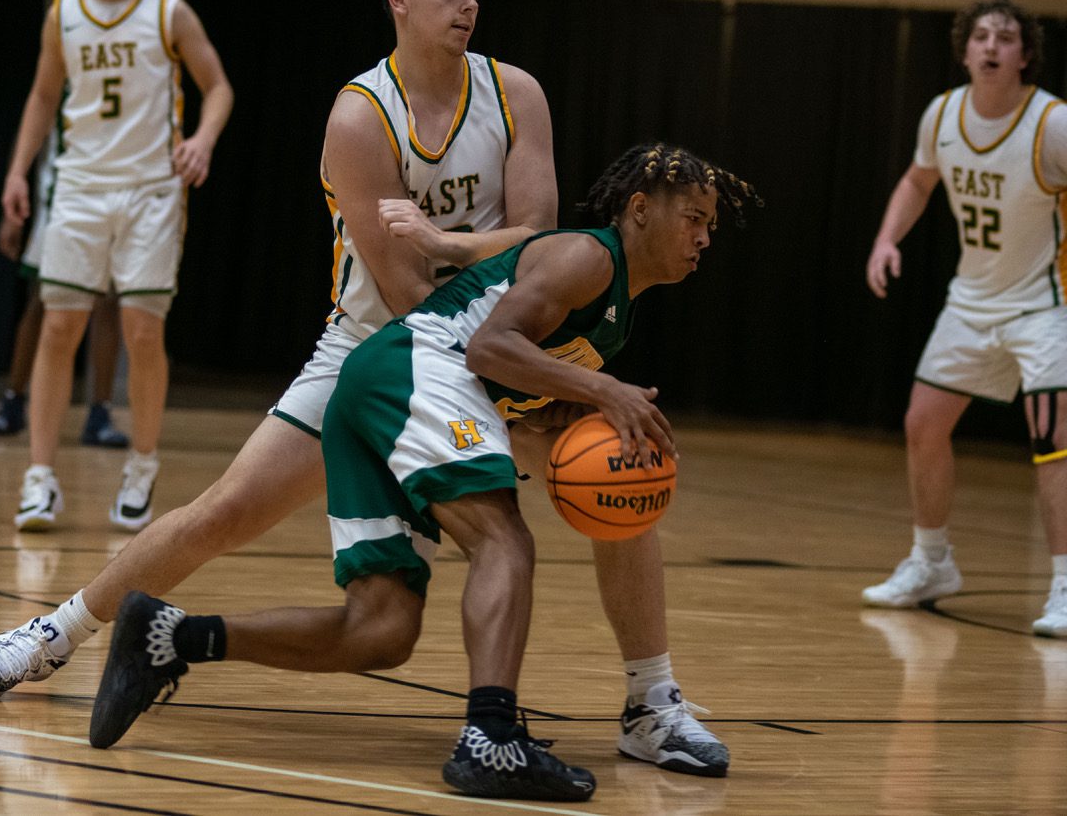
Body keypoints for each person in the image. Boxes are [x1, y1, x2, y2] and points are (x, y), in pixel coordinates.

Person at [0, 0, 729, 779]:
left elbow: (536, 239)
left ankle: (651, 703)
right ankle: (50, 634)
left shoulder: (516, 93)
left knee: (623, 469)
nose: (467, 7)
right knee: (226, 511)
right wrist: (501, 365)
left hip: (495, 338)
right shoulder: (361, 116)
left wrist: (452, 248)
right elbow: (404, 289)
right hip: (383, 347)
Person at [87, 143, 760, 804]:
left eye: (710, 225)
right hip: (414, 366)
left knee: (380, 632)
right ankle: (490, 738)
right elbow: (489, 348)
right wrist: (604, 390)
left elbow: (510, 378)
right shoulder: (587, 256)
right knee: (503, 540)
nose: (704, 237)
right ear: (640, 209)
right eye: (693, 218)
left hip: (379, 389)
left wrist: (562, 410)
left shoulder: (616, 307)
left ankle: (167, 636)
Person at [0, 0, 232, 533]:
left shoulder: (168, 9)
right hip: (79, 187)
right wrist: (18, 171)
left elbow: (218, 86)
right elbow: (43, 95)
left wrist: (203, 139)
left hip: (151, 189)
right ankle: (39, 478)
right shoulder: (64, 13)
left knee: (143, 332)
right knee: (58, 327)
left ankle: (142, 467)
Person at [862, 0, 1067, 637]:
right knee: (923, 423)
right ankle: (932, 562)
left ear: (1025, 55)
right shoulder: (943, 113)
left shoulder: (1053, 123)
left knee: (1053, 438)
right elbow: (919, 180)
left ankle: (1066, 585)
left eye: (1005, 37)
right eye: (980, 36)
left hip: (1046, 304)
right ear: (964, 49)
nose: (991, 46)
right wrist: (886, 240)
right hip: (972, 300)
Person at [0, 140, 129, 449]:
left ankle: (100, 413)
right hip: (62, 203)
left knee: (107, 302)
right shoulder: (52, 106)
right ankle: (13, 401)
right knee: (41, 302)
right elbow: (28, 137)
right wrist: (12, 205)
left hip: (113, 199)